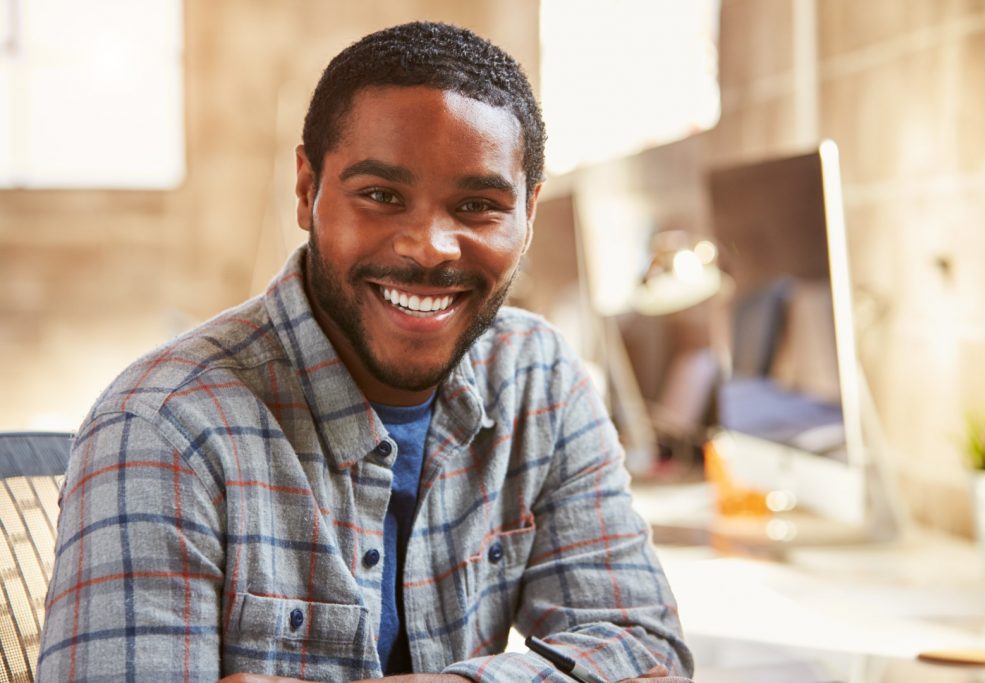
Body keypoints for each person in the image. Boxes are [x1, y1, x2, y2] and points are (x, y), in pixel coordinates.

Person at [38, 21, 694, 682]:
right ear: (306, 189)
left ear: (529, 215)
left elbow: (645, 653)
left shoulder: (538, 376)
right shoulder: (162, 426)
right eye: (381, 196)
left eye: (477, 205)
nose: (429, 246)